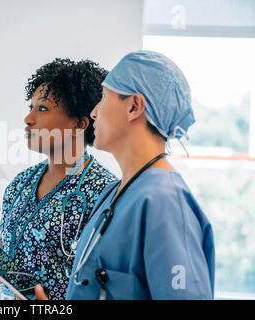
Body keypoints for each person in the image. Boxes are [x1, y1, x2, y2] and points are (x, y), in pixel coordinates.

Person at [32, 50, 215, 300]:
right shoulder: (116, 193)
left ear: (133, 107)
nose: (94, 112)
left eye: (104, 97)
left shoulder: (164, 201)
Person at [0, 58, 117, 300]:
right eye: (31, 107)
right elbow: (0, 261)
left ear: (79, 123)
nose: (28, 118)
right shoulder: (20, 184)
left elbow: (106, 285)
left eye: (42, 109)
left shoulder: (104, 193)